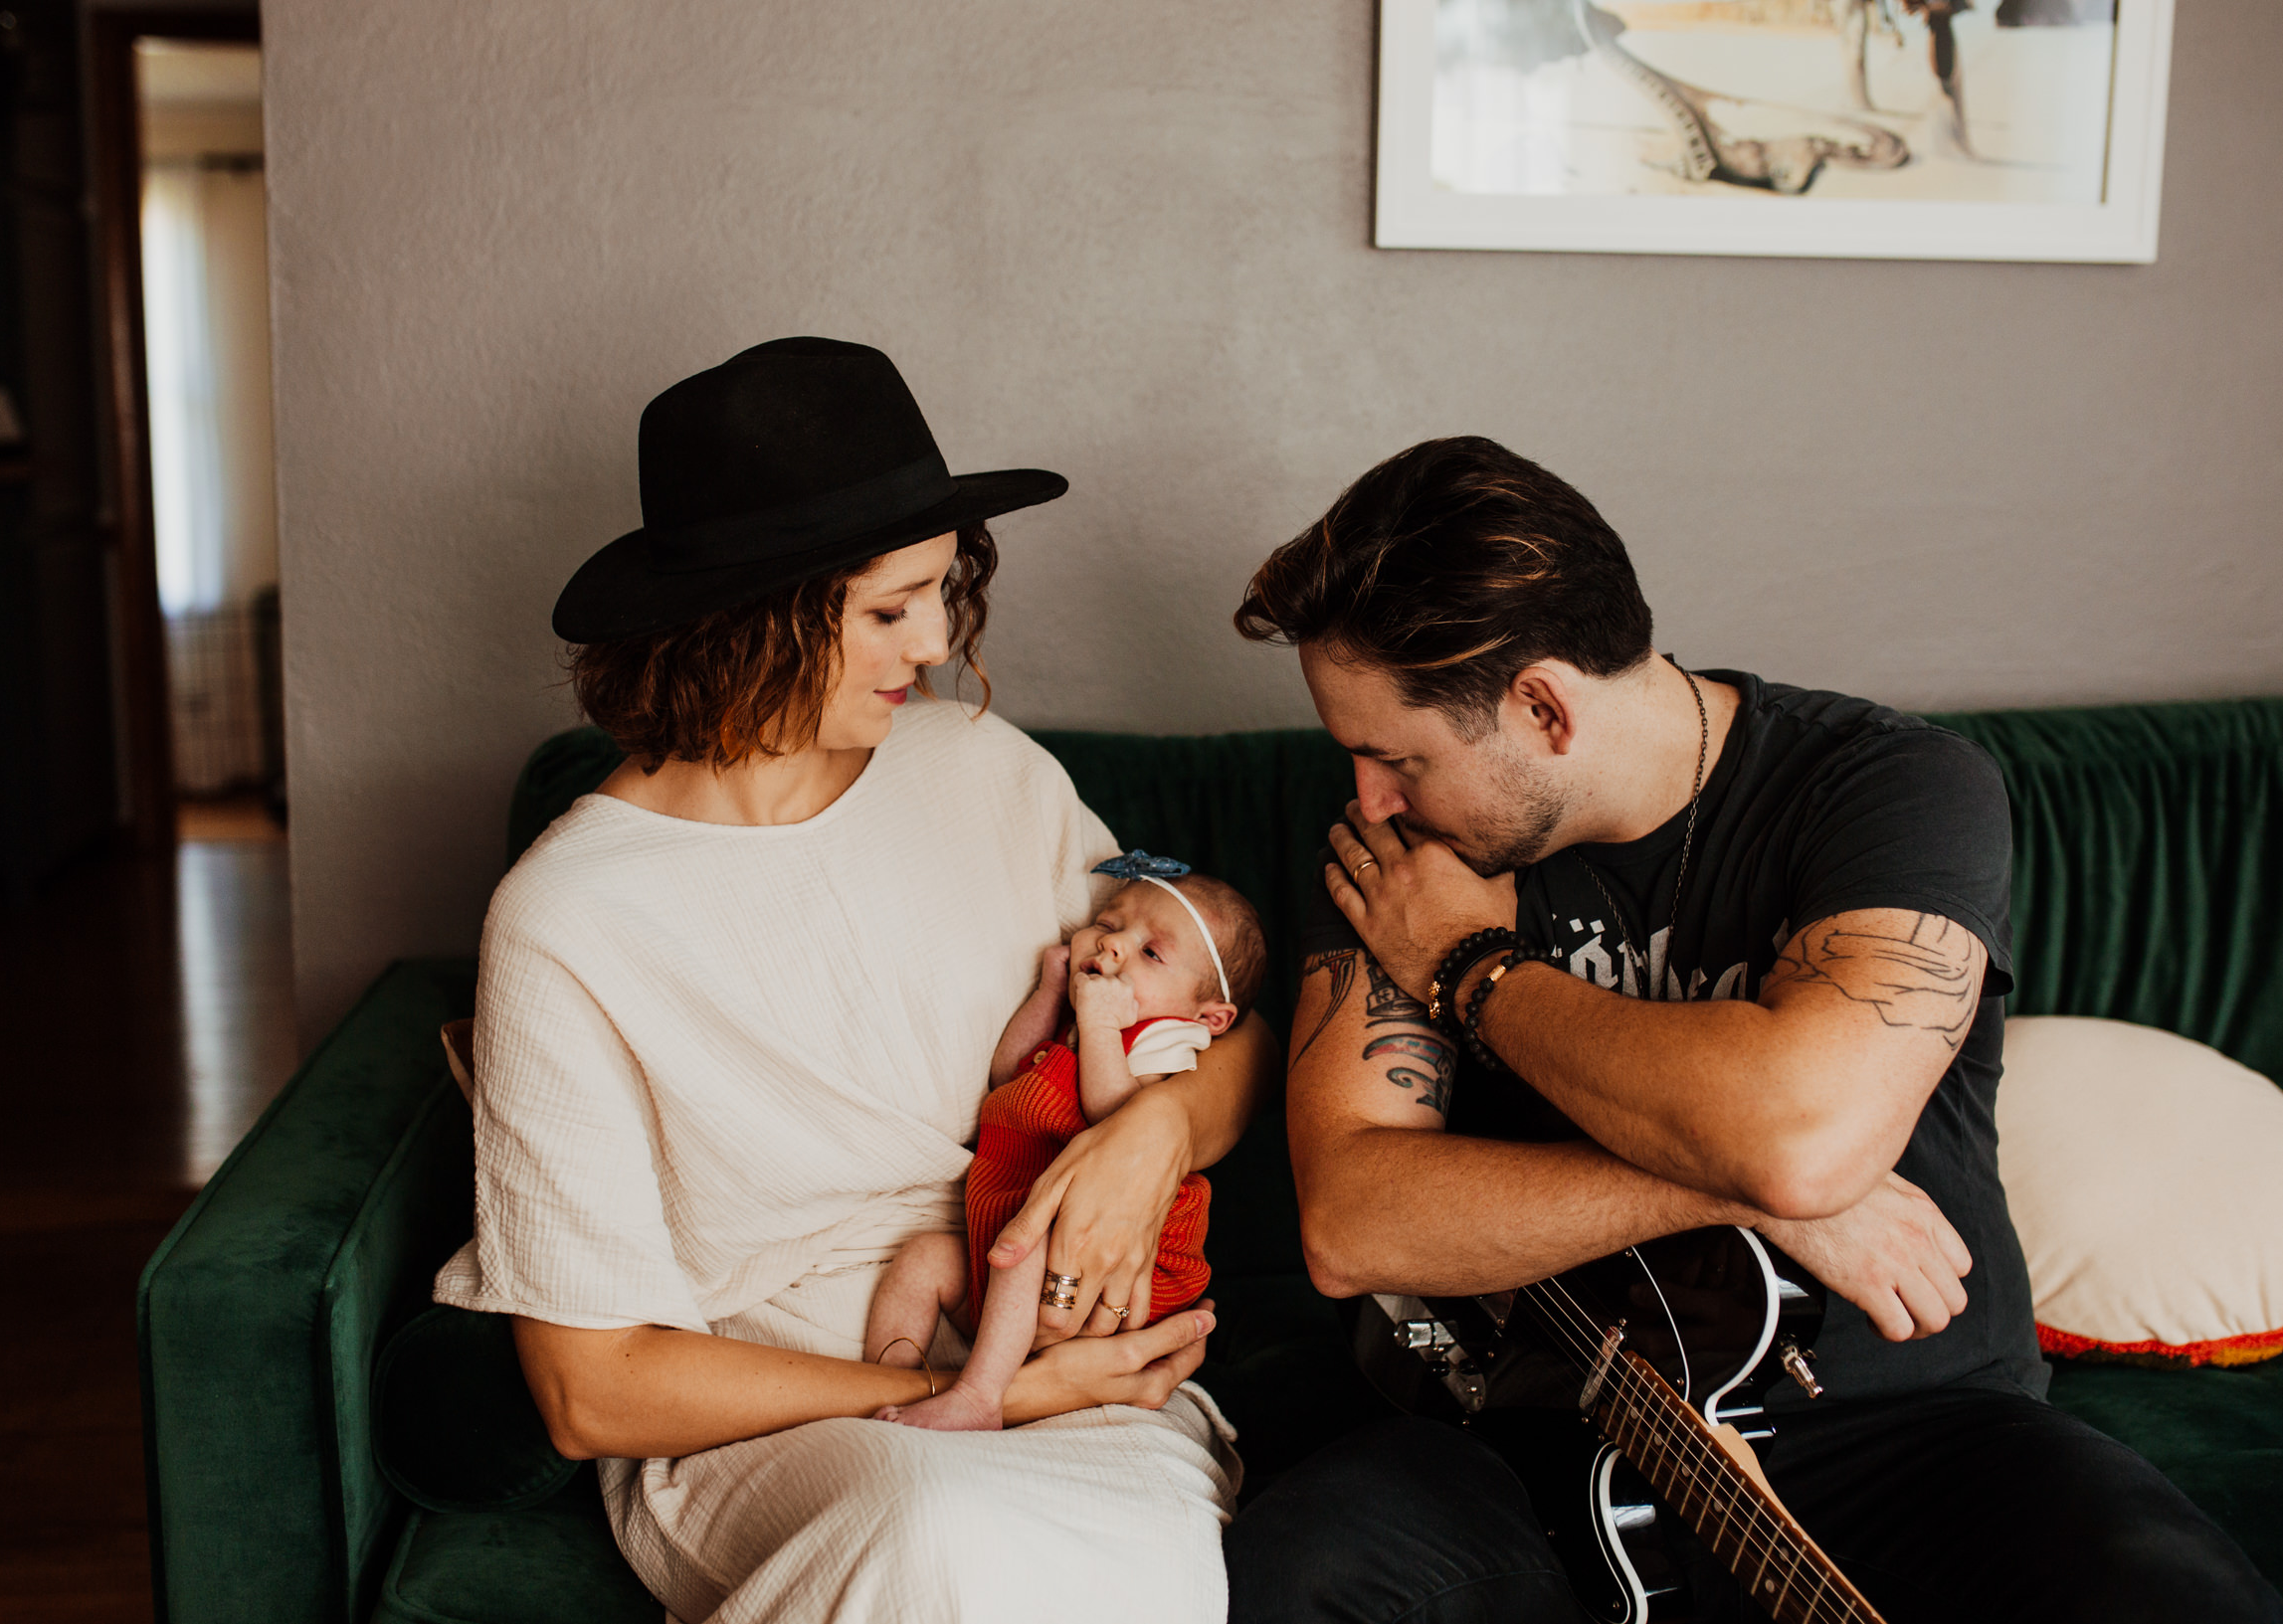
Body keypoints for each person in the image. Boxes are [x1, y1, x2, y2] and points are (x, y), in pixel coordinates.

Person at [1220, 437, 2282, 1623]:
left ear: (1542, 706)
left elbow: (1800, 1137)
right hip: (1535, 1412)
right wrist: (1729, 1192)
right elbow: (1355, 1224)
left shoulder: (1891, 790)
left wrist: (1471, 968)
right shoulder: (1402, 857)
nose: (1366, 798)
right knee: (1303, 1577)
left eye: (1393, 755)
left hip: (1904, 1423)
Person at [432, 337, 1272, 1622]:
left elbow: (1225, 1037)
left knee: (1129, 1573)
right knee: (938, 1532)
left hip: (1058, 1342)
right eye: (888, 609)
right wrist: (958, 1398)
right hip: (770, 1409)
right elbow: (588, 1391)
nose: (934, 641)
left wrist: (1150, 1133)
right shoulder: (571, 919)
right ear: (741, 624)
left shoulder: (988, 774)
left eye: (941, 592)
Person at [867, 853, 1267, 1431]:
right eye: (1107, 924)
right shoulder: (1085, 1011)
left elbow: (1117, 1123)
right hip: (1016, 1240)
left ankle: (979, 1397)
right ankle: (895, 1383)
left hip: (1109, 1257)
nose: (1112, 947)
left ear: (1211, 1016)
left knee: (1028, 1243)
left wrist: (1102, 1026)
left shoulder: (1166, 1038)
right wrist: (1052, 991)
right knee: (923, 1259)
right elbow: (1011, 1075)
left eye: (1151, 952)